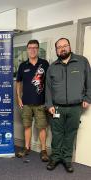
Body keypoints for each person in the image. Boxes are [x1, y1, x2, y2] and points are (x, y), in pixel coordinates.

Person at [45, 38, 91, 173]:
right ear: (56, 50)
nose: (62, 48)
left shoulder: (82, 61)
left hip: (75, 107)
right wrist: (49, 105)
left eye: (65, 46)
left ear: (69, 47)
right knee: (57, 133)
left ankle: (67, 159)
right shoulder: (52, 67)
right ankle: (55, 158)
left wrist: (88, 98)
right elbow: (48, 88)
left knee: (71, 133)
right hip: (57, 107)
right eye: (59, 47)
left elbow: (89, 81)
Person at [16, 40, 49, 162]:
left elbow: (49, 83)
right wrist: (19, 98)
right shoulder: (23, 66)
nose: (33, 50)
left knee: (42, 127)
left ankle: (44, 150)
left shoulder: (45, 64)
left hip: (41, 103)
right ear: (27, 49)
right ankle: (27, 147)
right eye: (30, 47)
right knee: (27, 126)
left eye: (35, 47)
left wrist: (49, 100)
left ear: (38, 49)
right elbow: (18, 82)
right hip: (26, 103)